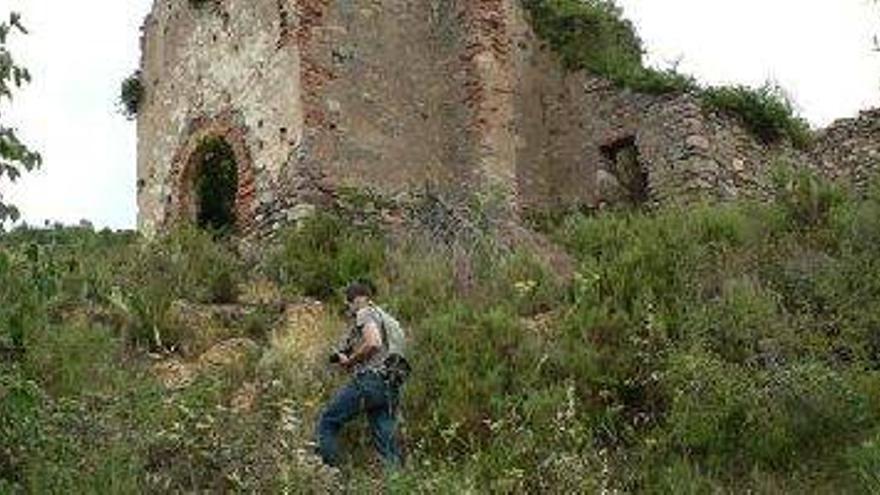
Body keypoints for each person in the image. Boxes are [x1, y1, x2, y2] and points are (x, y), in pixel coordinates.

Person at [316, 281, 403, 468]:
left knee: (328, 421)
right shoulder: (388, 319)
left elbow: (374, 343)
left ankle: (332, 476)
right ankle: (397, 484)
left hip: (370, 380)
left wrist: (349, 361)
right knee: (386, 441)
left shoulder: (365, 312)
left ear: (358, 299)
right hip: (391, 383)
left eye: (349, 302)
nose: (348, 307)